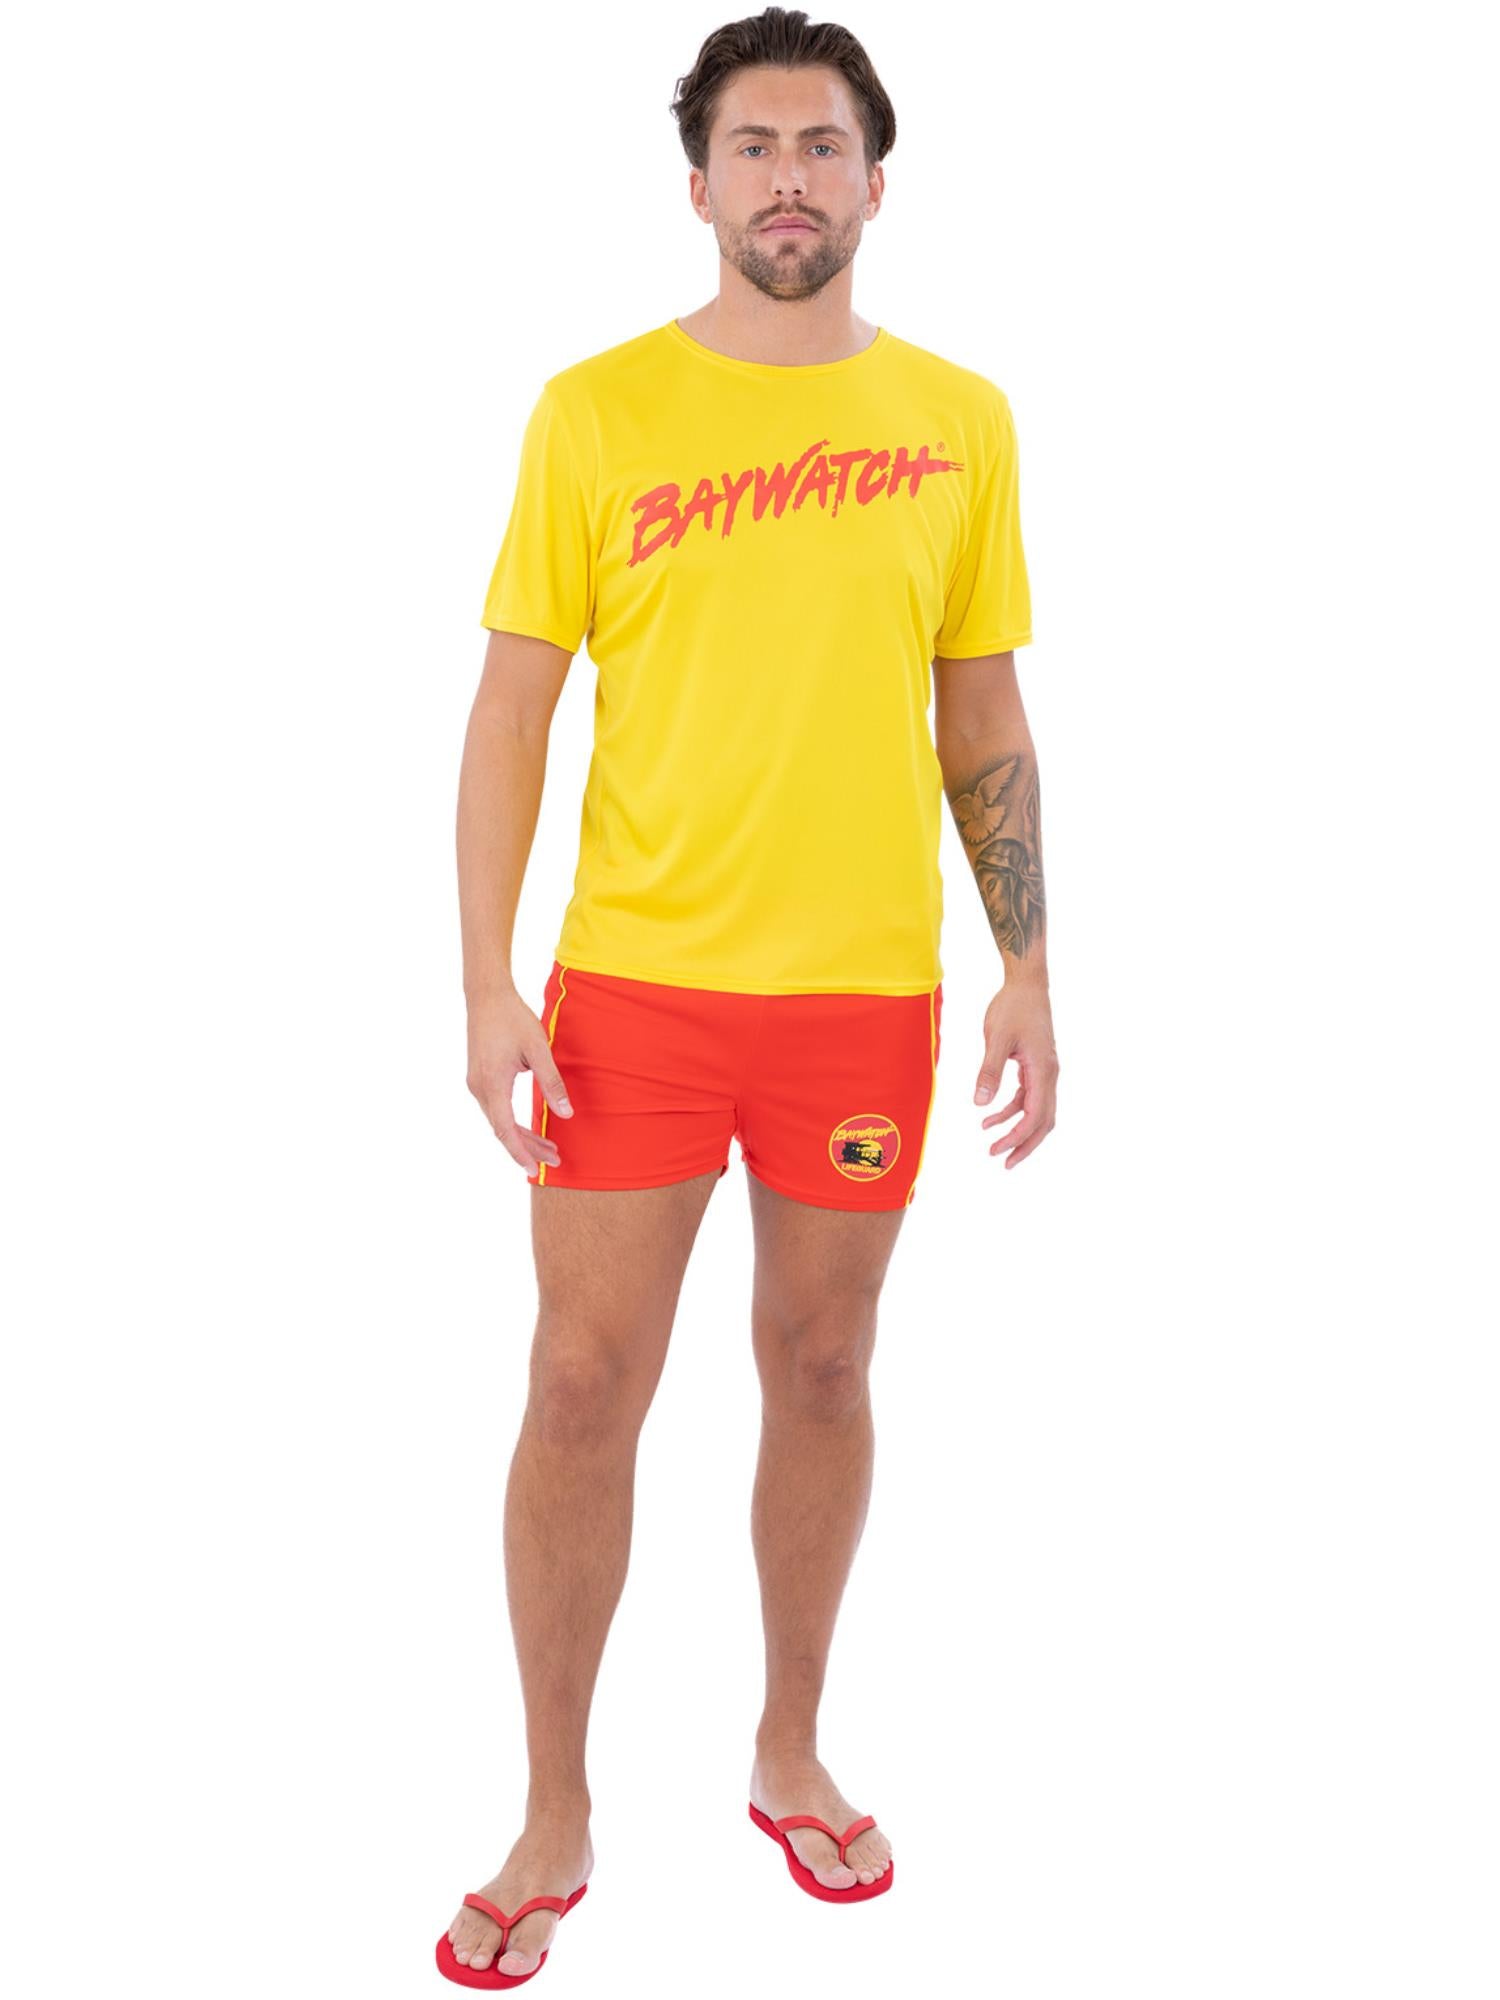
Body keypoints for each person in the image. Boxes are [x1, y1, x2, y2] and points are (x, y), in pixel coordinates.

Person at [440, 7, 1058, 1984]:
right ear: (697, 183)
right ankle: (554, 1804)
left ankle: (789, 1746)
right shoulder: (594, 412)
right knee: (578, 1382)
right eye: (754, 145)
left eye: (823, 145)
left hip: (862, 994)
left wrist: (1029, 962)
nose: (790, 177)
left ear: (877, 181)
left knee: (826, 1367)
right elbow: (512, 710)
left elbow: (983, 711)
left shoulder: (963, 419)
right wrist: (486, 981)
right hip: (633, 989)